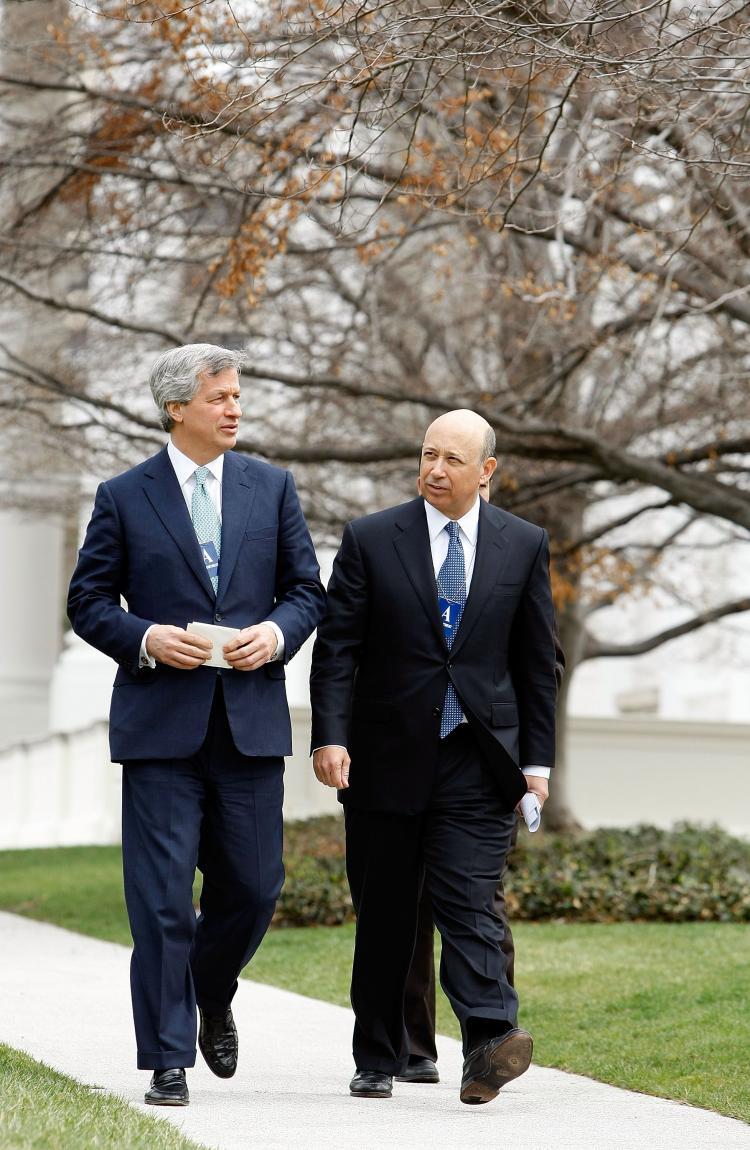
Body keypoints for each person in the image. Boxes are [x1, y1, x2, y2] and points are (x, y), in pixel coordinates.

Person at [67, 344, 325, 1106]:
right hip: (159, 730)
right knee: (160, 901)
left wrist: (274, 636)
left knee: (253, 887)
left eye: (238, 395)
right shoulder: (123, 495)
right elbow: (87, 603)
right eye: (221, 397)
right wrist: (146, 638)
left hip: (248, 723)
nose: (236, 408)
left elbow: (306, 590)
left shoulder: (272, 488)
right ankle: (167, 1057)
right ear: (178, 407)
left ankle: (211, 992)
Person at [310, 409, 559, 1104]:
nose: (435, 470)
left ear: (487, 472)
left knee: (471, 899)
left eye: (453, 459)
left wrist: (535, 763)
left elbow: (539, 663)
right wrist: (330, 737)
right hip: (385, 757)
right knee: (387, 911)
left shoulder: (523, 543)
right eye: (428, 455)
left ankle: (489, 1041)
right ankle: (379, 1052)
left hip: (480, 760)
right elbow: (338, 651)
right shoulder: (369, 539)